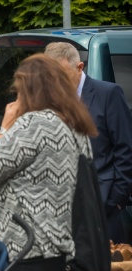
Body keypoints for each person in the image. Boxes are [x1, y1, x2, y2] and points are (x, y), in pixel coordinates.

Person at [0, 54, 98, 270]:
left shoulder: (34, 125)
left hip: (27, 248)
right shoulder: (75, 124)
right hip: (59, 249)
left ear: (29, 89)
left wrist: (4, 128)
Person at [45, 42, 132, 244]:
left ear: (79, 67)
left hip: (103, 210)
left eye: (62, 74)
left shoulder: (108, 94)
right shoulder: (48, 101)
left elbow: (125, 149)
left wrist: (115, 202)